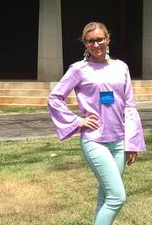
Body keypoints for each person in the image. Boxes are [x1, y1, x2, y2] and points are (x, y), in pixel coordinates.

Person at [48, 21, 146, 225]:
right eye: (90, 41)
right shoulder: (78, 69)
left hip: (119, 142)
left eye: (100, 39)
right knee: (117, 197)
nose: (96, 44)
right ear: (85, 44)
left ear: (108, 39)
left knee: (105, 196)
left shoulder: (121, 67)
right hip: (95, 141)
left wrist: (132, 142)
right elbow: (55, 98)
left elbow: (129, 105)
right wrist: (78, 121)